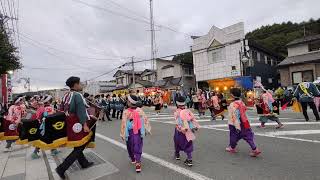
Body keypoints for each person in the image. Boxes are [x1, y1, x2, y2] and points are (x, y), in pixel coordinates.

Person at [55, 76, 94, 179]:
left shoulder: (66, 95)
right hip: (77, 123)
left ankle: (84, 163)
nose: (81, 85)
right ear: (75, 85)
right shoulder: (78, 95)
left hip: (69, 123)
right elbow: (81, 111)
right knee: (81, 145)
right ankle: (61, 168)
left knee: (78, 144)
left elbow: (61, 109)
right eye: (80, 83)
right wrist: (85, 124)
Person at [226, 88, 261, 157]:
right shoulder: (241, 102)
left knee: (233, 135)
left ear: (232, 95)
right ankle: (255, 149)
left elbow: (234, 116)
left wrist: (237, 126)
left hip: (235, 123)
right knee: (248, 135)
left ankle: (232, 148)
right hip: (244, 122)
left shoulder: (232, 104)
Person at [120, 94, 151, 173]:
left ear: (130, 102)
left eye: (128, 101)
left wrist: (123, 134)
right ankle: (137, 161)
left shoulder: (126, 112)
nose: (127, 102)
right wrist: (147, 129)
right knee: (137, 146)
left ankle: (135, 160)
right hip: (138, 131)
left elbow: (124, 123)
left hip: (130, 132)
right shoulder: (139, 110)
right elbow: (145, 119)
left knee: (131, 146)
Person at [173, 96, 200, 167]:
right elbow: (193, 118)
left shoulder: (177, 112)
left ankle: (177, 154)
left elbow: (177, 122)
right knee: (188, 143)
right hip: (189, 130)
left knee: (177, 141)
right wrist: (195, 126)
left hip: (180, 130)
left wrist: (180, 128)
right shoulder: (188, 111)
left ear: (177, 103)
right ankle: (189, 159)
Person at [31, 95, 60, 159]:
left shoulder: (41, 108)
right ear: (49, 101)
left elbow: (38, 117)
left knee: (49, 138)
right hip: (47, 126)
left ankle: (53, 150)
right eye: (51, 100)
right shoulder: (49, 108)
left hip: (42, 125)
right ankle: (34, 153)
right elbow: (52, 117)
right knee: (45, 139)